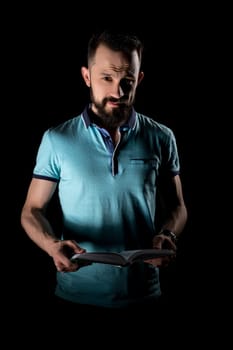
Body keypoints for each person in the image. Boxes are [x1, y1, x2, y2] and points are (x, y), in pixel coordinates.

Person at [20, 29, 187, 321]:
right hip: (75, 295)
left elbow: (177, 206)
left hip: (144, 294)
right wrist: (51, 246)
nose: (118, 92)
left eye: (128, 81)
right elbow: (31, 210)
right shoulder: (57, 139)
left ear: (140, 80)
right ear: (87, 77)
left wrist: (167, 234)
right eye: (107, 78)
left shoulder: (161, 137)